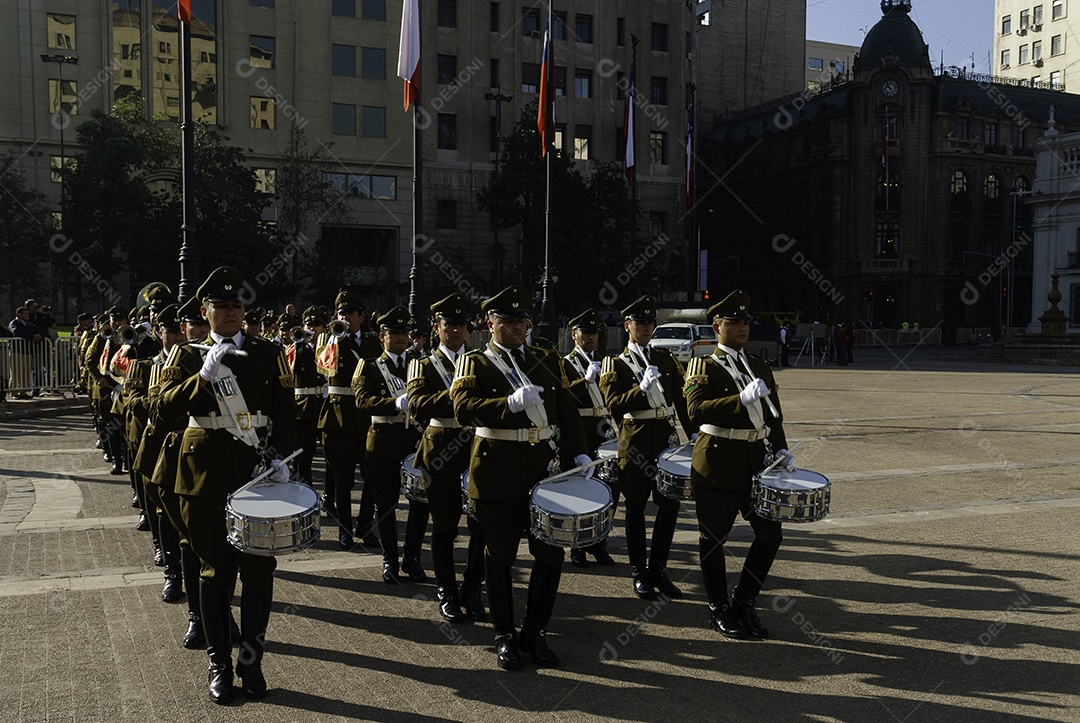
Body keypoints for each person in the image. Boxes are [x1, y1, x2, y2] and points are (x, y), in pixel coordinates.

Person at [156, 266, 297, 703]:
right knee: (215, 573)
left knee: (258, 574)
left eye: (238, 305)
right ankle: (219, 665)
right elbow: (163, 410)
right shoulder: (185, 355)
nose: (232, 312)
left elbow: (287, 412)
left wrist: (284, 458)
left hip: (257, 477)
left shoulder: (268, 352)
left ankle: (251, 664)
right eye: (222, 306)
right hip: (204, 477)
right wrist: (203, 377)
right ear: (205, 311)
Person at [452, 285, 591, 670]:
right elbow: (463, 410)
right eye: (507, 321)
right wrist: (508, 404)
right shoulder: (475, 362)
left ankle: (535, 631)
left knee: (550, 555)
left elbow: (568, 410)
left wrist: (579, 452)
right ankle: (504, 635)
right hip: (496, 472)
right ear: (489, 324)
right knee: (500, 557)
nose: (516, 328)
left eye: (521, 321)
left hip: (543, 476)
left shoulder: (547, 358)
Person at [684, 289, 793, 640]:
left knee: (770, 534)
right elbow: (695, 411)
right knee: (714, 539)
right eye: (734, 321)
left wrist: (781, 449)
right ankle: (718, 607)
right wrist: (738, 400)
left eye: (746, 321)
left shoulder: (758, 364)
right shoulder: (703, 364)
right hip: (716, 462)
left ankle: (745, 599)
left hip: (755, 466)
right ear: (717, 326)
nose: (742, 327)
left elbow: (773, 417)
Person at [599, 295, 694, 600]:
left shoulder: (665, 359)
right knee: (636, 507)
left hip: (665, 439)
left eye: (650, 322)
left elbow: (681, 401)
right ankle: (639, 571)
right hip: (635, 440)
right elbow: (614, 406)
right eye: (640, 323)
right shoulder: (614, 363)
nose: (646, 327)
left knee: (669, 507)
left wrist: (694, 435)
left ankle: (659, 569)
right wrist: (640, 390)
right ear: (627, 326)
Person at [408, 293, 486, 621]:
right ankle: (447, 591)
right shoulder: (422, 364)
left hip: (476, 450)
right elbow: (416, 406)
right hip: (438, 450)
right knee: (444, 527)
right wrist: (456, 394)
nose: (454, 330)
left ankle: (472, 588)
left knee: (480, 526)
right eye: (447, 324)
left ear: (469, 331)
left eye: (460, 325)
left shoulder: (483, 362)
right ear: (437, 328)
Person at [352, 307, 424, 583]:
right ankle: (390, 559)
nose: (401, 338)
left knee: (419, 503)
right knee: (386, 504)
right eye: (395, 333)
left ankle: (413, 558)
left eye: (405, 333)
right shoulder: (369, 366)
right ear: (382, 336)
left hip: (415, 443)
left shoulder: (420, 363)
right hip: (382, 442)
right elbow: (361, 402)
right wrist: (393, 403)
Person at [317, 290, 381, 549]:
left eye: (350, 313)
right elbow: (323, 367)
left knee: (372, 476)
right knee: (343, 479)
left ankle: (365, 524)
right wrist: (337, 339)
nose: (344, 317)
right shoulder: (328, 339)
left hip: (366, 418)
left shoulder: (372, 342)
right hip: (337, 418)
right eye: (341, 313)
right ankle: (344, 529)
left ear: (361, 317)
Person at [560, 308, 617, 568]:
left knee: (609, 488)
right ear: (574, 335)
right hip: (580, 428)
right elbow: (563, 399)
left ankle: (599, 543)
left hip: (603, 428)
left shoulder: (606, 361)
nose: (591, 337)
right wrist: (585, 380)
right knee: (581, 490)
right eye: (586, 332)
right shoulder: (565, 363)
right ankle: (578, 546)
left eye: (595, 333)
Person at [288, 307, 327, 487]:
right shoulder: (296, 348)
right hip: (302, 409)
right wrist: (298, 345)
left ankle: (329, 497)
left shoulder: (331, 349)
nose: (313, 329)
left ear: (325, 328)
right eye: (309, 324)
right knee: (302, 456)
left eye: (317, 325)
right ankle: (303, 494)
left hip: (325, 407)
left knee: (330, 457)